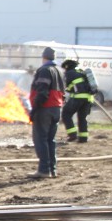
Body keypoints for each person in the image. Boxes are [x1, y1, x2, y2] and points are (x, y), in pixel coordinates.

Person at [28, 46, 65, 178]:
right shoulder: (59, 71)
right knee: (50, 140)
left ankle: (44, 170)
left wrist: (34, 109)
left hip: (44, 109)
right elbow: (63, 92)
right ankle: (52, 170)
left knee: (41, 139)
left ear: (43, 57)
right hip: (56, 109)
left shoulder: (44, 70)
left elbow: (42, 92)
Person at [60, 58, 93, 143]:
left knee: (66, 114)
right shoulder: (81, 72)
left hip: (78, 98)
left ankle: (72, 135)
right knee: (82, 118)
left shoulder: (69, 73)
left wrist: (64, 96)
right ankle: (83, 138)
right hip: (88, 98)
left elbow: (67, 87)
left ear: (67, 66)